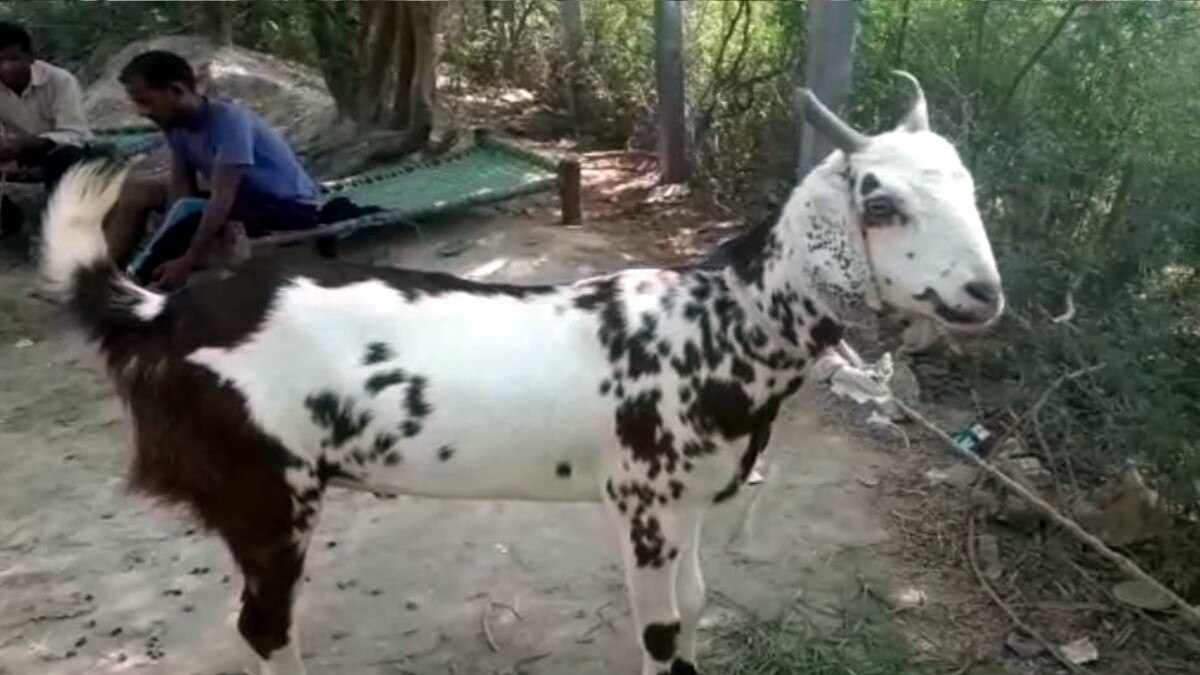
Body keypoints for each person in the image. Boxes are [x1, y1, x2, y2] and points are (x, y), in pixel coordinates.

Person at [117, 49, 321, 289]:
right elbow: (182, 189)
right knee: (154, 200)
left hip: (288, 206)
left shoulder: (229, 120)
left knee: (196, 221)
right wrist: (170, 230)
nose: (142, 112)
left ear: (177, 90)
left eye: (146, 102)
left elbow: (222, 198)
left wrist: (187, 259)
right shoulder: (174, 125)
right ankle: (117, 270)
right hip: (245, 202)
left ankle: (138, 282)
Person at [0, 21, 94, 234]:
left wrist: (26, 144)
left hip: (55, 149)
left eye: (13, 58)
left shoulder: (60, 81)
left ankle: (64, 226)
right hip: (16, 154)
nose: (5, 67)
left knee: (66, 157)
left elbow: (75, 134)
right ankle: (8, 219)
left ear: (30, 56)